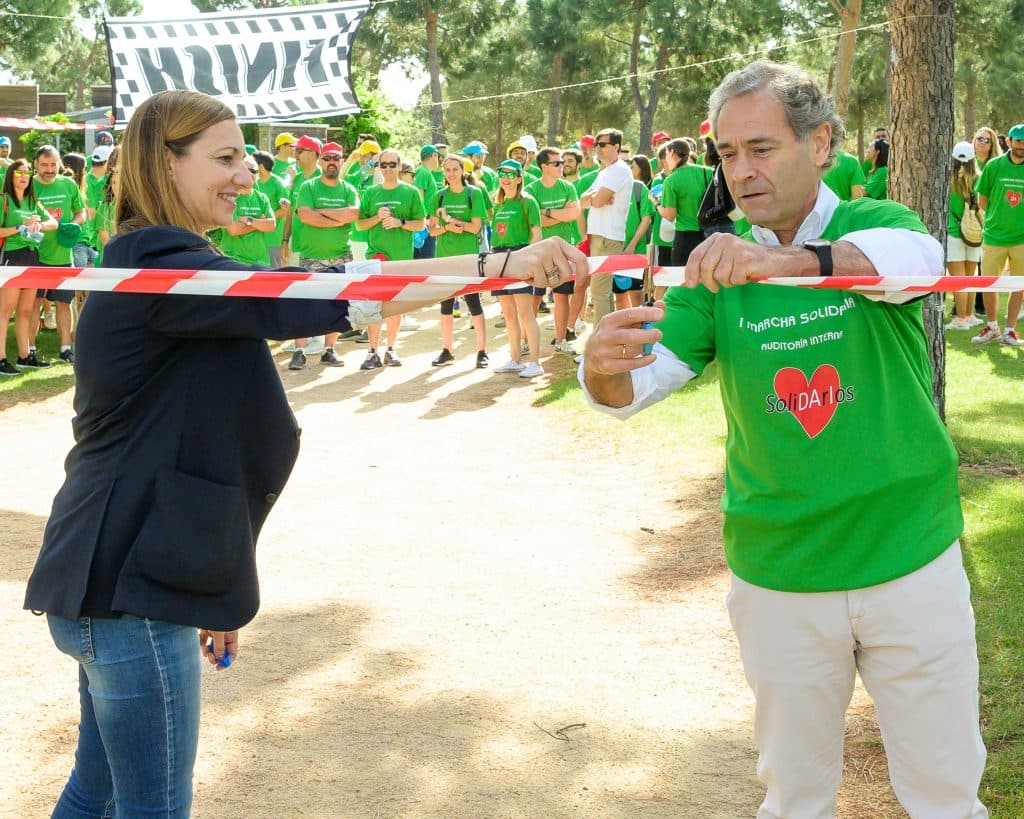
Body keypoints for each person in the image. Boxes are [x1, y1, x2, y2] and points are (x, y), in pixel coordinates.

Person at [22, 88, 581, 818]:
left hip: (120, 578)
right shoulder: (162, 266)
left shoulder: (159, 264)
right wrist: (500, 260)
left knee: (93, 796)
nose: (245, 177)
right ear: (166, 162)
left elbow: (190, 438)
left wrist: (205, 586)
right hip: (128, 585)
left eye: (243, 160)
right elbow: (324, 295)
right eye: (223, 158)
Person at [581, 60, 988, 819]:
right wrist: (602, 369)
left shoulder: (875, 224)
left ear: (821, 142)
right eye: (727, 154)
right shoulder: (717, 266)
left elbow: (921, 264)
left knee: (944, 794)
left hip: (911, 553)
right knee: (795, 796)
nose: (741, 171)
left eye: (761, 148)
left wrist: (777, 259)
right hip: (779, 570)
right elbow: (634, 389)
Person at [355, 148, 427, 369]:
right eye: (383, 165)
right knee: (372, 305)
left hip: (401, 259)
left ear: (399, 165)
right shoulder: (370, 193)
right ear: (378, 167)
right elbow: (360, 224)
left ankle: (391, 350)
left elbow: (421, 224)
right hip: (375, 257)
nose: (387, 169)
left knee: (395, 306)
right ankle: (372, 352)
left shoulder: (411, 192)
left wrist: (399, 223)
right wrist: (377, 218)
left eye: (392, 165)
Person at [291, 141, 361, 368]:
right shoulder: (308, 187)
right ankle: (299, 351)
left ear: (342, 162)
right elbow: (305, 217)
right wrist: (336, 219)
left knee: (337, 304)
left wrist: (322, 212)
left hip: (341, 255)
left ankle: (329, 349)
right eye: (328, 158)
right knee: (305, 303)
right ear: (321, 161)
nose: (332, 162)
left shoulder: (349, 189)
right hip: (311, 256)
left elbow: (354, 214)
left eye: (336, 158)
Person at [428, 155, 490, 368]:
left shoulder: (475, 194)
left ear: (463, 171)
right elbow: (432, 231)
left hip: (468, 258)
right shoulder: (439, 196)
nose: (451, 173)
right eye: (447, 170)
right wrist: (446, 227)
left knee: (474, 302)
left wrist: (454, 222)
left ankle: (482, 351)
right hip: (445, 259)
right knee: (445, 305)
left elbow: (475, 228)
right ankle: (447, 350)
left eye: (455, 169)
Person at [0, 158, 58, 375]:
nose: (24, 176)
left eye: (27, 173)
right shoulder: (3, 199)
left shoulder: (33, 200)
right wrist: (19, 227)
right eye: (18, 172)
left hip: (32, 257)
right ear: (10, 176)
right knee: (5, 311)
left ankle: (25, 356)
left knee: (26, 310)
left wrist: (38, 225)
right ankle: (1, 358)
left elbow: (54, 223)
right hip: (12, 257)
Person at [31, 145, 86, 364]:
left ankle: (65, 348)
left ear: (59, 164)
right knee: (33, 304)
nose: (49, 169)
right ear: (36, 164)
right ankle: (30, 349)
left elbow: (80, 212)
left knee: (64, 303)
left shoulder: (68, 183)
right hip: (34, 255)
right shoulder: (29, 186)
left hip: (63, 256)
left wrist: (75, 224)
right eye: (44, 165)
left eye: (53, 164)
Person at [490, 159, 544, 377]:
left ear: (519, 178)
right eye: (502, 174)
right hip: (499, 258)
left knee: (525, 312)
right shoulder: (498, 203)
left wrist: (528, 260)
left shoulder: (527, 202)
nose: (505, 178)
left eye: (511, 174)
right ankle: (515, 359)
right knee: (509, 314)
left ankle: (535, 362)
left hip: (519, 257)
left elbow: (537, 234)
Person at [972, 122, 1024, 347]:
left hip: (1022, 239)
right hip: (994, 237)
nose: (1023, 145)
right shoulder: (993, 166)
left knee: (1019, 285)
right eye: (1019, 141)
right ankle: (992, 327)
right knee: (988, 283)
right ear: (1009, 142)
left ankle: (1010, 331)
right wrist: (998, 218)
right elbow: (982, 200)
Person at [578, 128, 633, 326]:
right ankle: (606, 342)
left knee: (600, 293)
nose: (597, 149)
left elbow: (597, 200)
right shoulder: (606, 171)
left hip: (608, 237)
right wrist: (596, 197)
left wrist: (596, 197)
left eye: (602, 145)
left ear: (616, 146)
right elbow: (583, 201)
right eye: (596, 145)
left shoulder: (618, 170)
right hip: (601, 236)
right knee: (601, 293)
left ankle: (602, 344)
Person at [945, 142, 985, 331]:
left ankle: (960, 320)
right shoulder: (979, 178)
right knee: (970, 276)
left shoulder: (948, 179)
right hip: (975, 232)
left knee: (958, 279)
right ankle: (969, 316)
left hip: (953, 232)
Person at [210, 154, 275, 268]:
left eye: (253, 170)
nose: (250, 173)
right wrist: (259, 222)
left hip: (261, 261)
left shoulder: (262, 198)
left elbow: (271, 225)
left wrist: (248, 220)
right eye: (246, 169)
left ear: (257, 175)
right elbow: (234, 230)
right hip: (234, 260)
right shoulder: (228, 196)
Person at [656, 138, 714, 267]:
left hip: (685, 238)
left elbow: (670, 216)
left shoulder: (671, 181)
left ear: (671, 153)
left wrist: (656, 203)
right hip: (710, 234)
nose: (665, 159)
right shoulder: (708, 172)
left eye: (666, 154)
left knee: (682, 281)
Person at [252, 150, 290, 267]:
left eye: (254, 165)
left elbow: (285, 210)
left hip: (273, 240)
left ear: (261, 166)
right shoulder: (253, 183)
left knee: (274, 274)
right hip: (255, 239)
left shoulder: (278, 183)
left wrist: (266, 219)